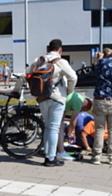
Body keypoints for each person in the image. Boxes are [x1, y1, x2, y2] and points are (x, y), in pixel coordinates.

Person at [29, 39, 77, 167]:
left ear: (48, 49)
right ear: (60, 50)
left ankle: (48, 154)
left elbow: (25, 75)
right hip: (57, 98)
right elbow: (73, 77)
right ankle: (50, 158)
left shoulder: (38, 60)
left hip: (42, 98)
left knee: (47, 127)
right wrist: (68, 92)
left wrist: (17, 90)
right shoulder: (61, 62)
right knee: (54, 128)